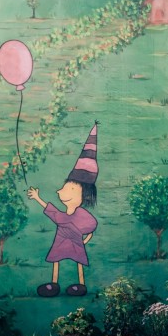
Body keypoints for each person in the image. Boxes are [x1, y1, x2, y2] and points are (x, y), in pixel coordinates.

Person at [27, 123, 99, 297]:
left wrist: (84, 240)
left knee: (78, 261)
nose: (62, 192)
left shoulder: (82, 215)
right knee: (56, 259)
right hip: (61, 241)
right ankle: (54, 284)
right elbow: (52, 211)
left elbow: (91, 227)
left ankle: (80, 284)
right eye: (64, 188)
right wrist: (37, 197)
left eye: (71, 189)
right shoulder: (62, 215)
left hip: (75, 242)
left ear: (84, 195)